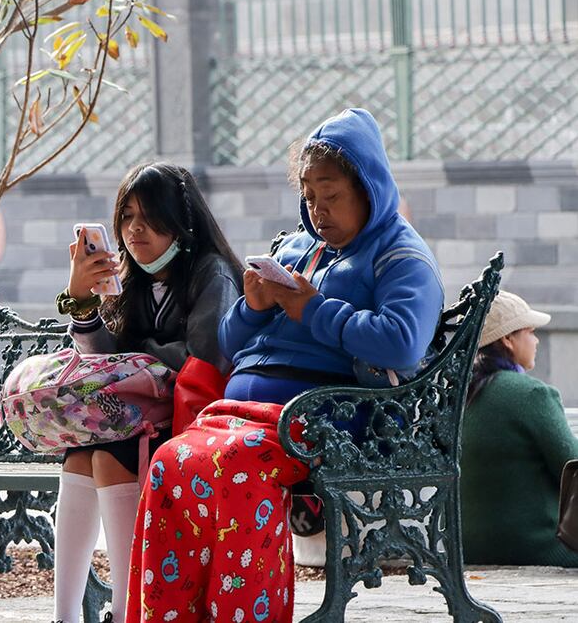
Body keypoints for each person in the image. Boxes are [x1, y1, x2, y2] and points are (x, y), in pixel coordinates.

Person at [126, 108, 445, 623]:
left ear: (369, 188)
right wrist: (252, 307)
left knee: (236, 466)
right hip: (244, 415)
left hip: (331, 419)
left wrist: (312, 309)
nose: (318, 210)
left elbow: (403, 343)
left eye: (331, 194)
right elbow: (227, 345)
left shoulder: (400, 256)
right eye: (310, 195)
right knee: (169, 462)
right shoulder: (296, 249)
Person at [53, 162, 244, 623]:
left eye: (149, 216)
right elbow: (103, 361)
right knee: (79, 455)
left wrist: (133, 358)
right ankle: (64, 615)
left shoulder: (211, 273)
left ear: (181, 222)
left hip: (195, 423)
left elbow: (204, 357)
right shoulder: (132, 280)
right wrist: (82, 302)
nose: (134, 229)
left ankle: (128, 612)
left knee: (107, 455)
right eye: (126, 216)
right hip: (138, 417)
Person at [460, 291, 578, 567]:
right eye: (530, 332)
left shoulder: (461, 395)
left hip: (470, 548)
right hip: (536, 547)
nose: (536, 341)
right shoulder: (532, 394)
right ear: (507, 339)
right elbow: (572, 467)